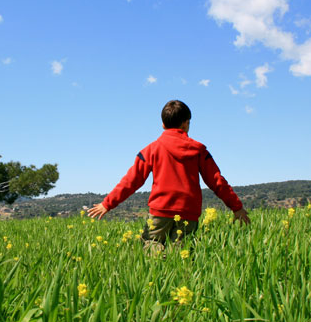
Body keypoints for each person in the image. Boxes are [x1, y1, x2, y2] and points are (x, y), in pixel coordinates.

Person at [86, 100, 250, 250]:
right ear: (186, 124)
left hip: (160, 211)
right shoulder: (199, 151)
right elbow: (217, 181)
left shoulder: (151, 149)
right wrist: (237, 207)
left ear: (163, 124)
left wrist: (107, 203)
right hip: (188, 214)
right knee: (181, 256)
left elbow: (131, 180)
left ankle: (155, 280)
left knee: (152, 248)